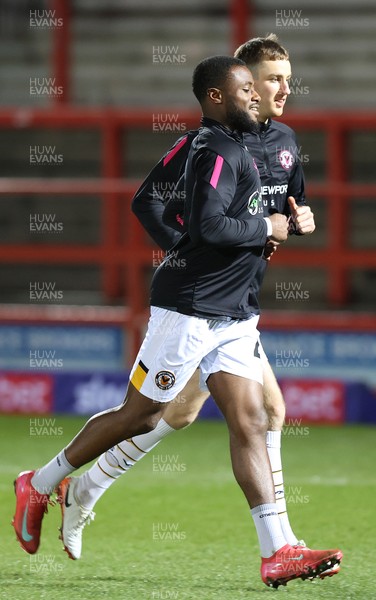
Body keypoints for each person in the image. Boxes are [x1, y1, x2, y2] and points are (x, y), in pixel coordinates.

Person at [13, 55, 342, 589]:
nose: (265, 95)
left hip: (235, 312)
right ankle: (40, 482)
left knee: (253, 419)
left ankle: (277, 551)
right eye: (253, 87)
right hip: (190, 309)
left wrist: (287, 220)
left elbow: (269, 208)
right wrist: (242, 233)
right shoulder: (211, 147)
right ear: (222, 95)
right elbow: (207, 224)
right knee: (142, 416)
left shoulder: (271, 142)